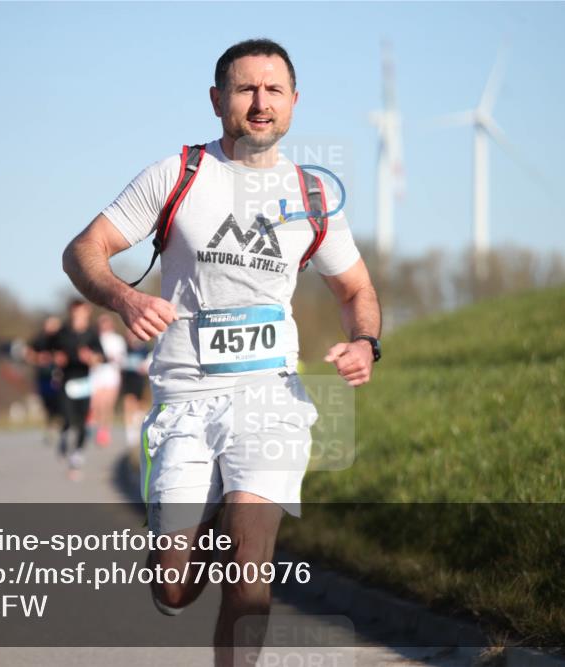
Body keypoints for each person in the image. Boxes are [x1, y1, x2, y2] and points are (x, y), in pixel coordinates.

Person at [62, 39, 382, 666]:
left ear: (294, 102)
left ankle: (235, 538)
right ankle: (201, 531)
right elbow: (83, 251)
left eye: (274, 90)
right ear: (218, 100)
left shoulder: (313, 197)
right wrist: (125, 299)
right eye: (245, 89)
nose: (260, 103)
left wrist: (366, 341)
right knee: (174, 586)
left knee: (252, 577)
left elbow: (357, 289)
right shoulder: (178, 174)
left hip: (270, 397)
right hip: (185, 398)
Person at [49, 299, 103, 479]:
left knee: (82, 421)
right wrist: (55, 358)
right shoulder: (62, 333)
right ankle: (64, 436)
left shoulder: (91, 334)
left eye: (81, 313)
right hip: (66, 380)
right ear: (70, 313)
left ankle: (77, 455)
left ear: (87, 313)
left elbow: (102, 357)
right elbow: (46, 352)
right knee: (68, 417)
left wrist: (92, 358)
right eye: (75, 313)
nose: (78, 316)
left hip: (84, 382)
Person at [87, 313, 126, 447]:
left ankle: (104, 431)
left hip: (111, 375)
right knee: (96, 404)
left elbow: (120, 358)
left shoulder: (117, 339)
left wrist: (108, 358)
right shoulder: (94, 338)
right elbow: (91, 358)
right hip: (97, 375)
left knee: (107, 405)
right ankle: (96, 426)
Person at [25, 315, 63, 444]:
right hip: (44, 376)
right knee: (47, 403)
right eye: (49, 324)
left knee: (60, 402)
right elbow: (28, 354)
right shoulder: (39, 339)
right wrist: (38, 358)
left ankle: (61, 426)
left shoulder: (62, 339)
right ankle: (50, 427)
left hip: (60, 376)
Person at [120, 328, 152, 448]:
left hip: (140, 381)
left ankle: (137, 428)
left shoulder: (144, 349)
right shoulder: (124, 348)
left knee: (140, 407)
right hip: (129, 380)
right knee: (129, 404)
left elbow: (149, 362)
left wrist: (144, 366)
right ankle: (130, 434)